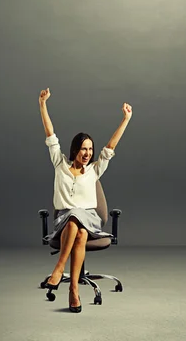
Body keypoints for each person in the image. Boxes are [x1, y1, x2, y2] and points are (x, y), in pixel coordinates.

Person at [38, 87, 132, 313]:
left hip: (89, 219)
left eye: (90, 149)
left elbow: (111, 147)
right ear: (75, 149)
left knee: (78, 219)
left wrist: (126, 119)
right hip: (64, 221)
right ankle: (73, 290)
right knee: (74, 224)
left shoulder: (94, 170)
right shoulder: (60, 164)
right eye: (83, 149)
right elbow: (50, 135)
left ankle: (59, 269)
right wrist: (42, 104)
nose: (88, 153)